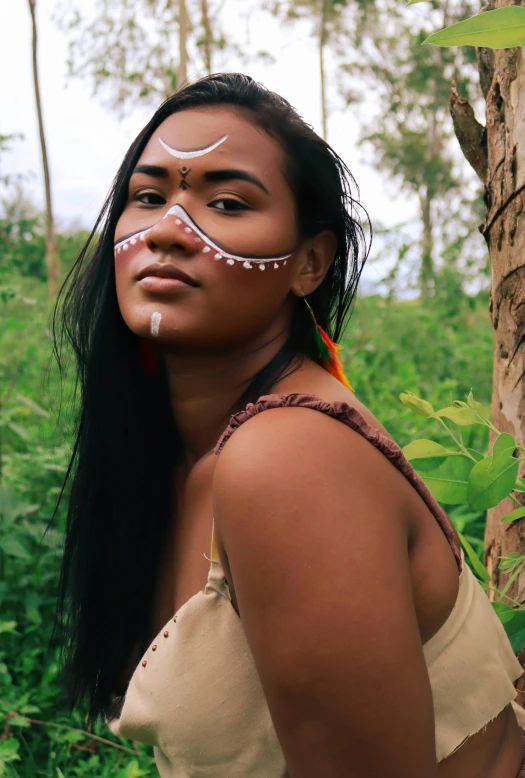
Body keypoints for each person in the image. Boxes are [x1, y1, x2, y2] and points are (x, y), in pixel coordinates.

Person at [53, 72, 525, 778]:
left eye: (227, 202)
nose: (169, 230)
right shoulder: (174, 456)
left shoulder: (286, 461)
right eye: (147, 197)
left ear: (309, 263)